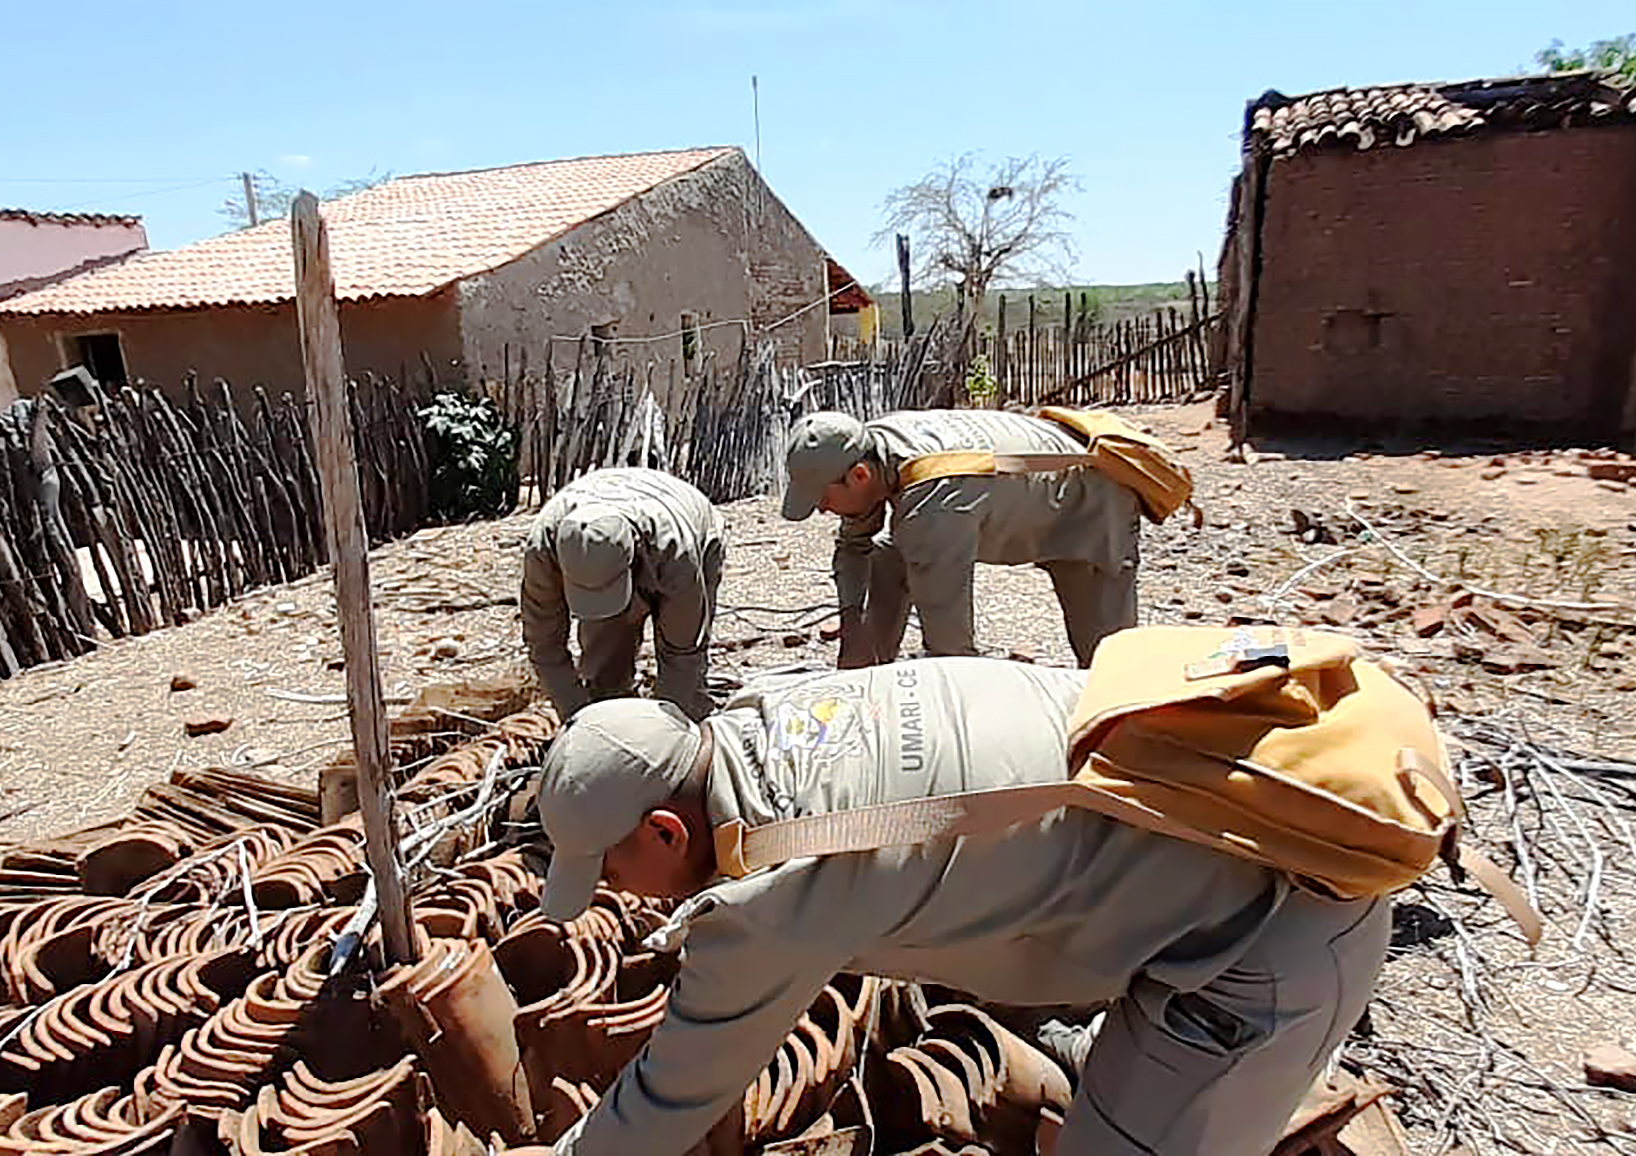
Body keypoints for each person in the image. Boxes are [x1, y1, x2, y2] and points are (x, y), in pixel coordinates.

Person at [528, 657, 1391, 1156]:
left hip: (1266, 939)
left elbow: (665, 1103)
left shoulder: (771, 894)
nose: (609, 891)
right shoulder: (779, 710)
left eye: (606, 868)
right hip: (1222, 832)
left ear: (670, 833)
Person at [779, 409, 1141, 669]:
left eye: (824, 500)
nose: (824, 510)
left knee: (1109, 665)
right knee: (888, 555)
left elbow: (950, 648)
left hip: (1091, 500)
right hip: (1032, 482)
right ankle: (871, 670)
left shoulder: (932, 505)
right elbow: (854, 547)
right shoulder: (871, 448)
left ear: (858, 476)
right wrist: (852, 627)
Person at [521, 468, 724, 722]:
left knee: (686, 693)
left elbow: (682, 654)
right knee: (604, 667)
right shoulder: (543, 550)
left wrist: (666, 734)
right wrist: (578, 719)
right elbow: (544, 648)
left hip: (692, 523)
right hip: (621, 524)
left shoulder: (676, 551)